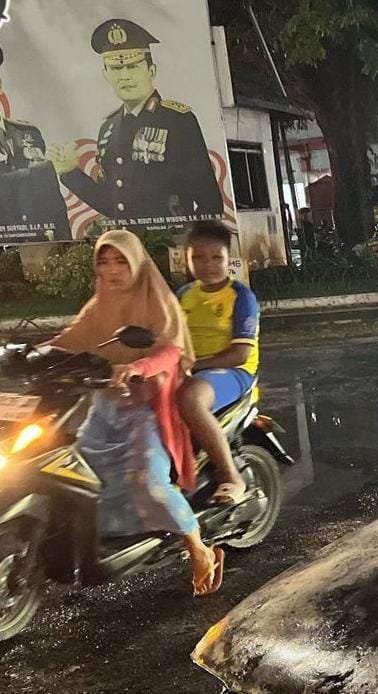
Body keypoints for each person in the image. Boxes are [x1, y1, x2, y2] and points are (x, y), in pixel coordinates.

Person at [48, 229, 223, 595]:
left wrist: (138, 367)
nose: (112, 270)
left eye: (121, 261)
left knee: (149, 481)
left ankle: (198, 548)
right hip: (106, 406)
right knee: (75, 472)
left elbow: (171, 350)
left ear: (137, 264)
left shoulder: (158, 300)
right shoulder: (99, 305)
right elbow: (70, 340)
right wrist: (26, 355)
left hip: (150, 407)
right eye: (104, 262)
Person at [47, 19, 222, 226]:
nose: (125, 76)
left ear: (151, 71)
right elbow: (113, 205)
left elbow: (210, 202)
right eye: (116, 68)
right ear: (106, 75)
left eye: (132, 66)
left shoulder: (177, 120)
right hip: (128, 241)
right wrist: (70, 173)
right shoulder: (108, 128)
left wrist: (186, 239)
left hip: (170, 241)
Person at [175, 220, 257, 505]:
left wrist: (193, 366)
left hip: (233, 372)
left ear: (228, 259)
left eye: (216, 257)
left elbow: (240, 354)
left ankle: (230, 476)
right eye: (198, 257)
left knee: (190, 398)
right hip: (189, 371)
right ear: (186, 259)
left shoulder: (241, 297)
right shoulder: (184, 295)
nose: (207, 265)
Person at [0, 44, 70, 240]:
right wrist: (36, 174)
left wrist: (65, 242)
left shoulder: (27, 133)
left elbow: (52, 198)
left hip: (39, 242)